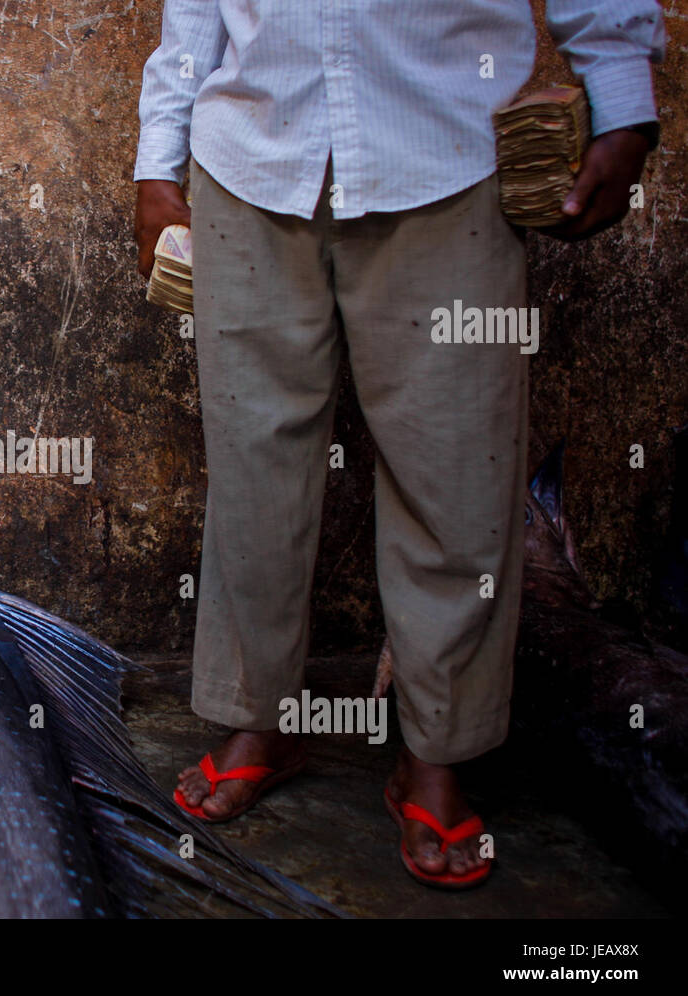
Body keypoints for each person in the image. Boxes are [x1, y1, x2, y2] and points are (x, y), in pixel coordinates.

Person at [133, 0, 663, 888]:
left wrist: (620, 93)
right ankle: (261, 715)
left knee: (456, 468)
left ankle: (436, 749)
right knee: (254, 465)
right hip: (249, 157)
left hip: (444, 152)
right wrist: (158, 159)